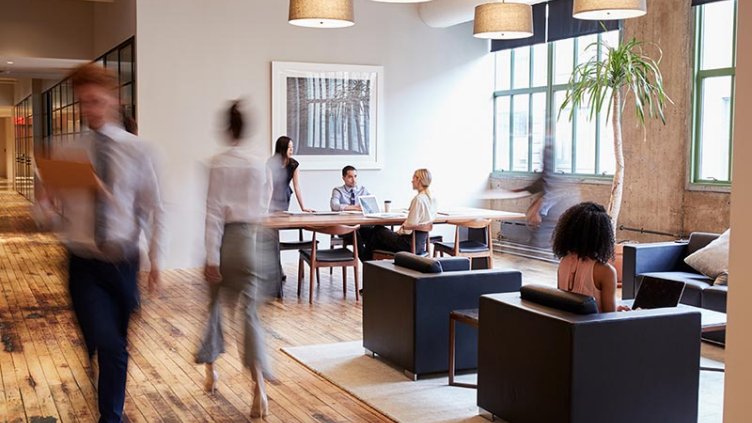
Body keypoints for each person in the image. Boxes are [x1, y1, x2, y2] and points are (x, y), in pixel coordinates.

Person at [34, 63, 165, 423]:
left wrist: (156, 260)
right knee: (106, 342)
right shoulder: (66, 150)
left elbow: (153, 207)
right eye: (82, 103)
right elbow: (44, 217)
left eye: (94, 101)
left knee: (114, 346)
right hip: (84, 262)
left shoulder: (139, 150)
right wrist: (44, 202)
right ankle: (111, 417)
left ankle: (111, 406)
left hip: (123, 262)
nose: (88, 109)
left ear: (114, 98)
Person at [196, 101, 272, 418]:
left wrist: (211, 257)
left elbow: (213, 213)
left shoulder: (217, 164)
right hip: (253, 243)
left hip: (227, 242)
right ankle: (259, 390)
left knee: (214, 307)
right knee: (250, 316)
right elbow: (264, 207)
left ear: (227, 129)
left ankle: (211, 372)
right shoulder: (259, 165)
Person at [552, 202, 625, 313]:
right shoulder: (605, 271)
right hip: (594, 329)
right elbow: (610, 318)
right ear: (603, 236)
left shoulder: (564, 262)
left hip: (568, 327)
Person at [360, 169, 436, 261]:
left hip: (408, 244)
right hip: (420, 244)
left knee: (377, 229)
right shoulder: (432, 198)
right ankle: (369, 261)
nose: (412, 181)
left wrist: (399, 231)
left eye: (413, 178)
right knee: (376, 239)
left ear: (419, 180)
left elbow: (409, 226)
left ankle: (366, 260)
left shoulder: (418, 199)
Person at [267, 136, 312, 213]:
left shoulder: (293, 164)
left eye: (292, 147)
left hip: (284, 194)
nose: (291, 150)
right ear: (282, 149)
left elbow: (296, 187)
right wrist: (266, 208)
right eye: (289, 148)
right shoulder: (271, 163)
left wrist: (303, 207)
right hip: (270, 194)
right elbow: (269, 187)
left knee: (281, 217)